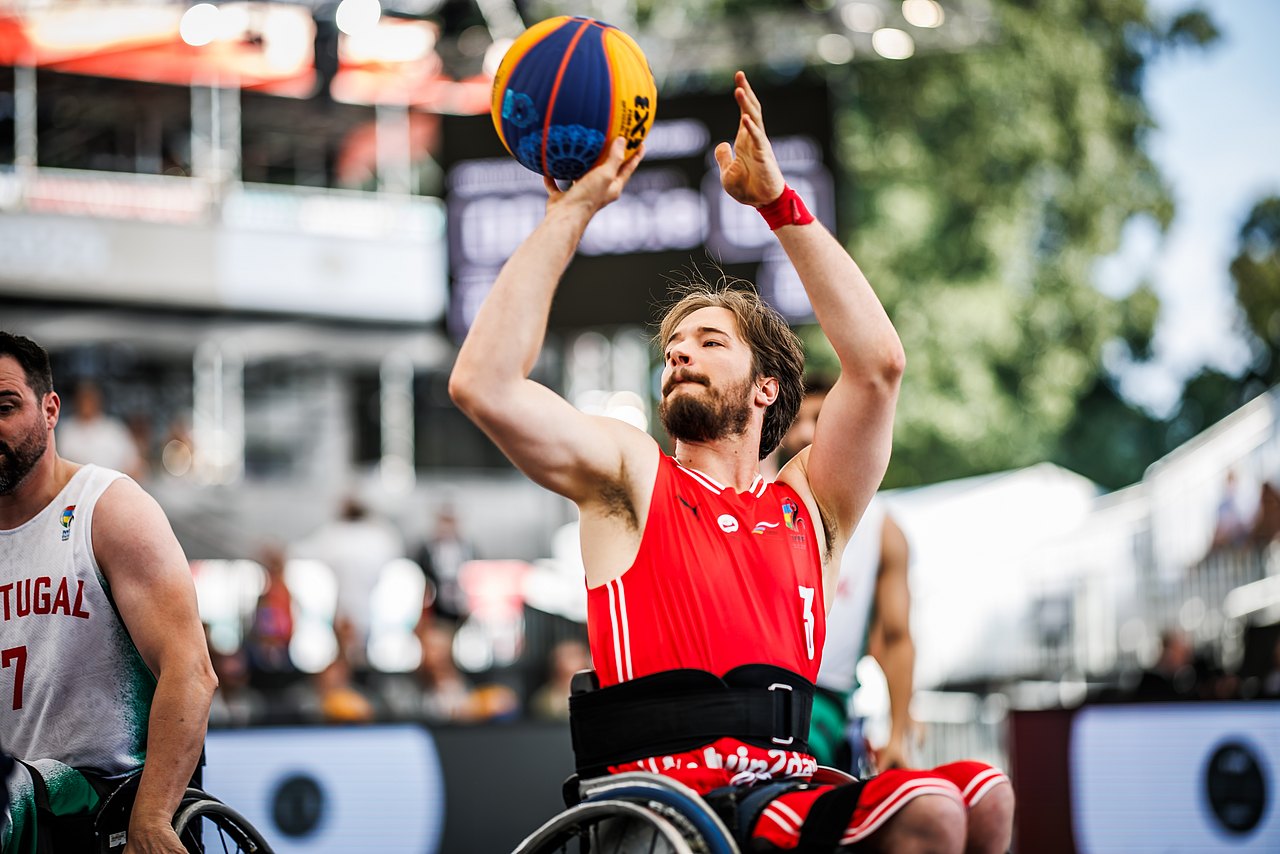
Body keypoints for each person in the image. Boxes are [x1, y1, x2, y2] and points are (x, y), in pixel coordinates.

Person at [450, 73, 1013, 853]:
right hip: (671, 800)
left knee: (985, 792)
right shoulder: (633, 477)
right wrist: (570, 210)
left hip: (784, 785)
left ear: (766, 388)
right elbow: (483, 384)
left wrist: (779, 204)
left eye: (710, 342)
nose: (680, 351)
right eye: (674, 347)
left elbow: (879, 365)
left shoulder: (809, 502)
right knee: (932, 811)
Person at [0, 332, 218, 853]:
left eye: (5, 407)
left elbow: (190, 670)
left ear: (51, 410)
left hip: (107, 797)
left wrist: (154, 815)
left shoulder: (109, 508)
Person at [779, 379, 915, 775]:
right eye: (795, 419)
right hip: (756, 690)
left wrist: (899, 733)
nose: (805, 431)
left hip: (826, 697)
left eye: (820, 418)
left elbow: (894, 638)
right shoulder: (757, 503)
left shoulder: (881, 528)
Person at [53, 379, 146, 481]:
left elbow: (134, 465)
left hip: (111, 488)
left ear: (99, 401)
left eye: (90, 399)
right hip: (75, 487)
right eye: (83, 399)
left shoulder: (114, 429)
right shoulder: (66, 429)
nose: (87, 403)